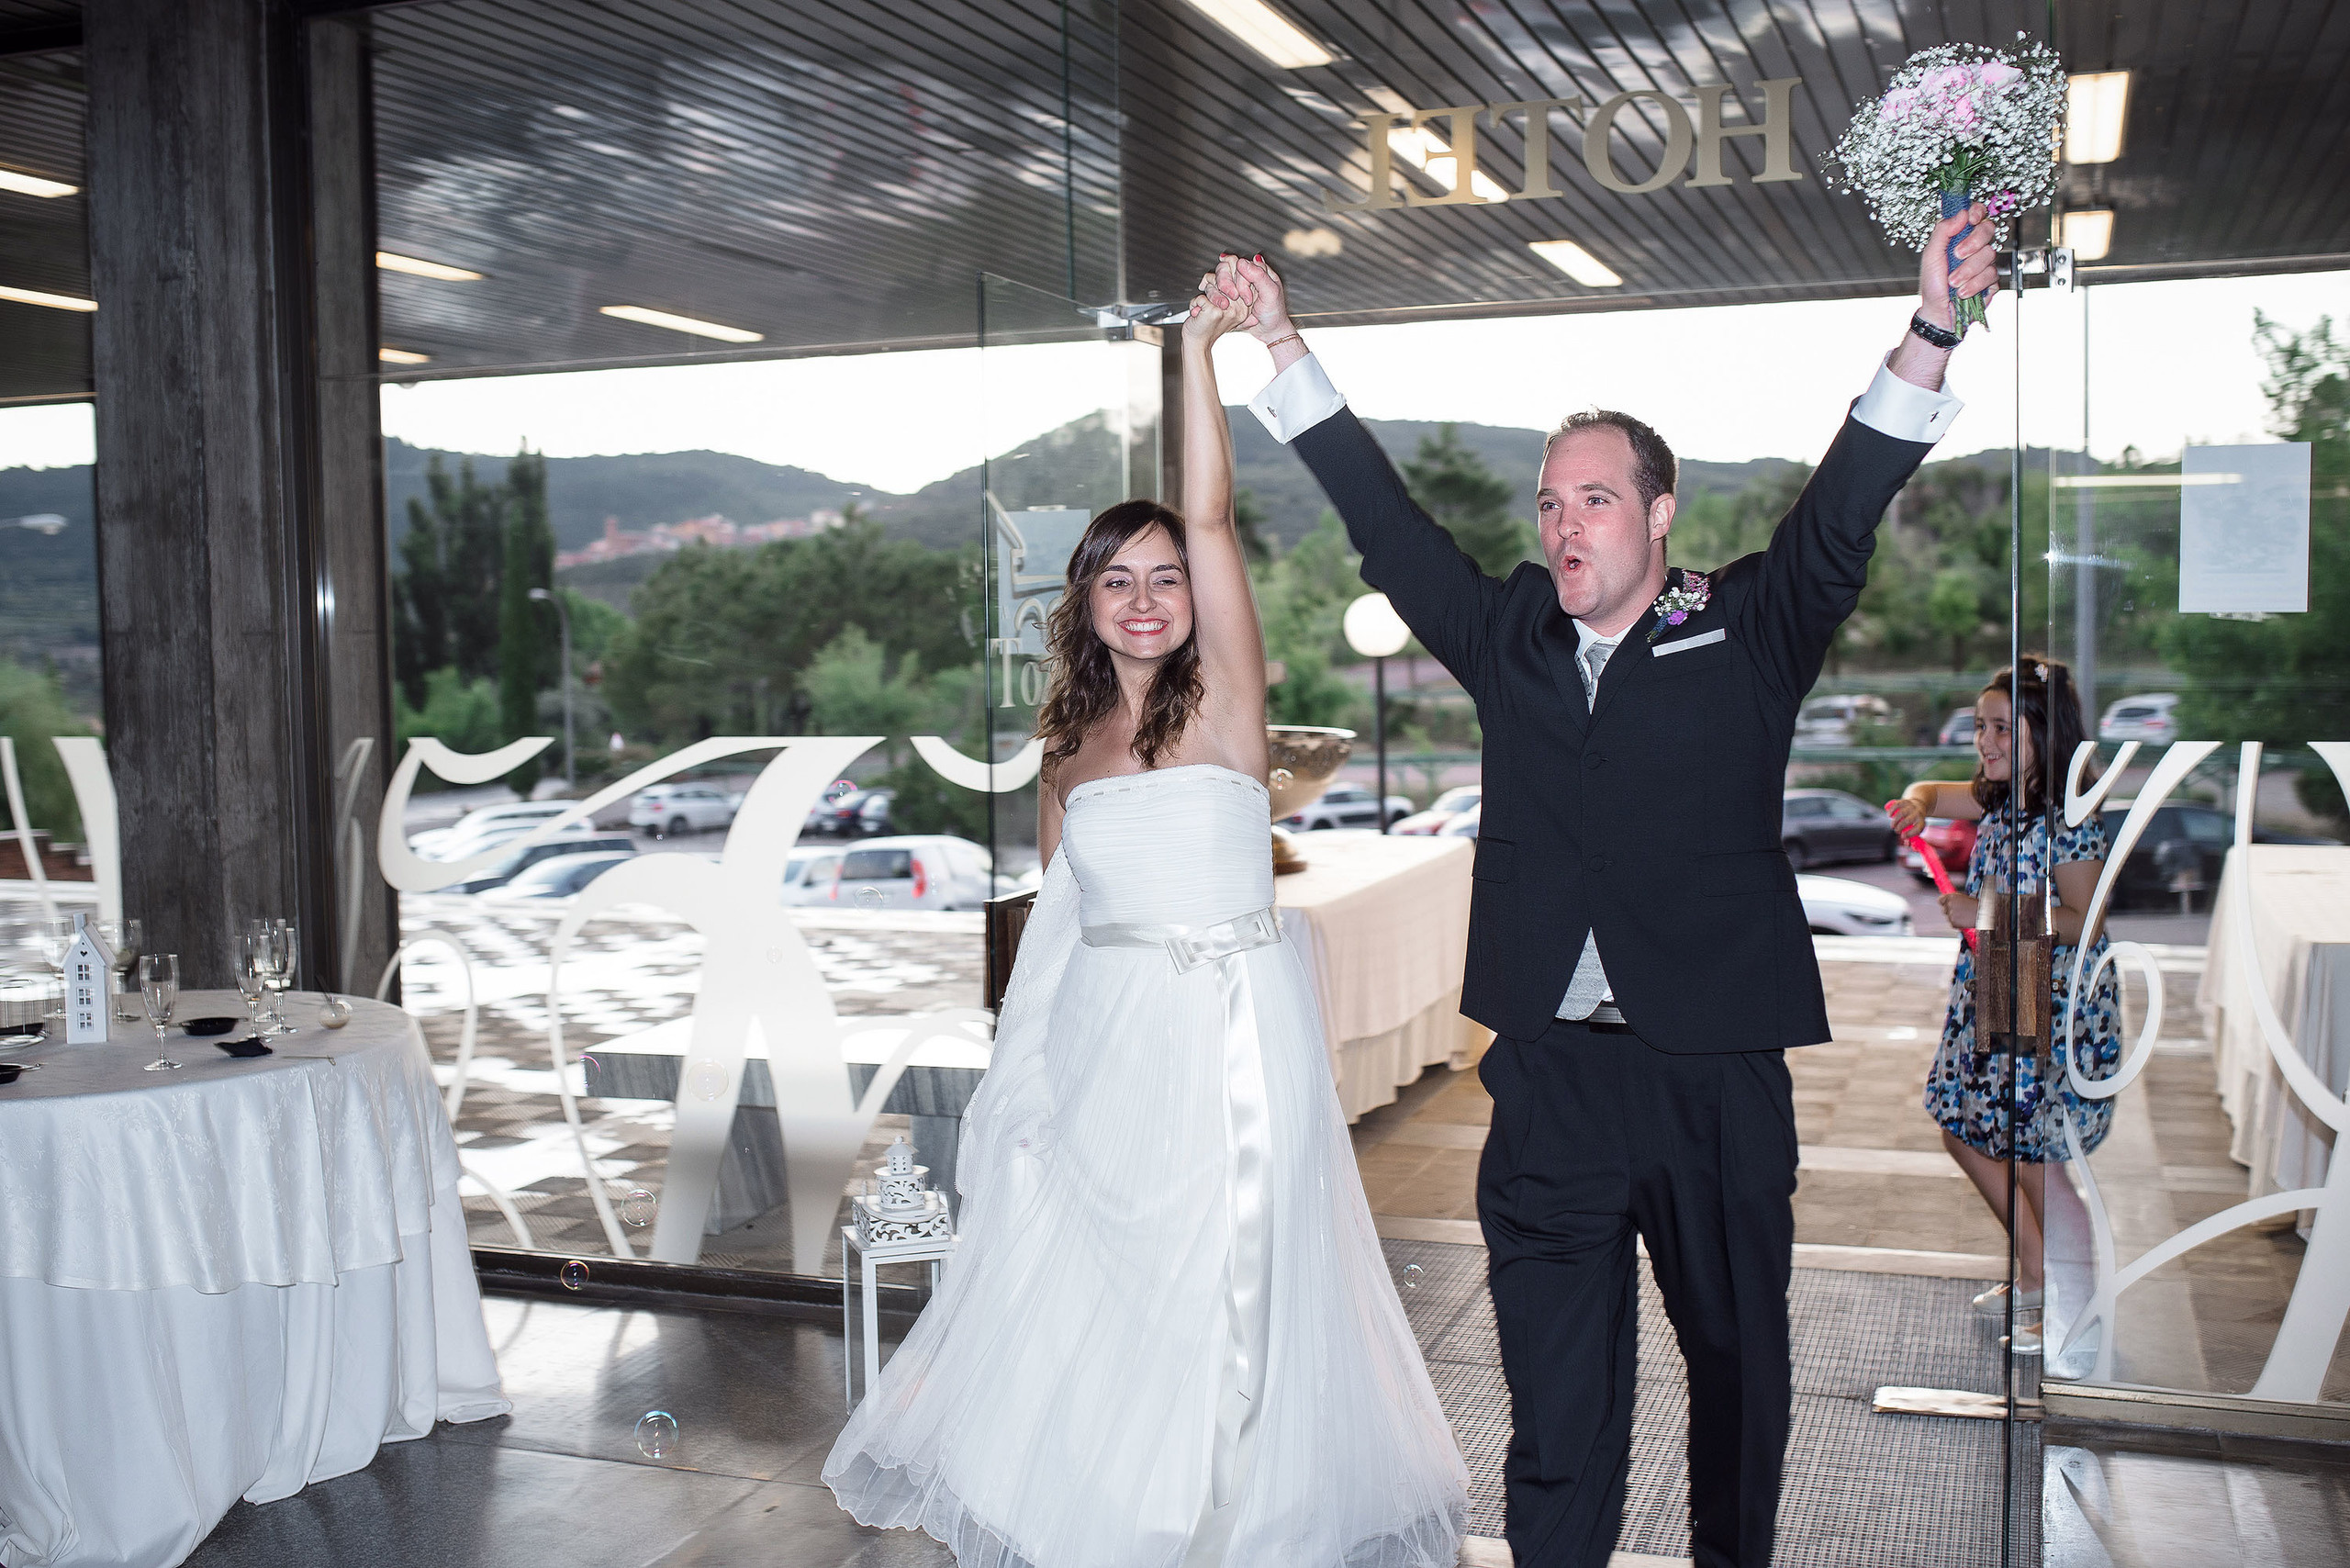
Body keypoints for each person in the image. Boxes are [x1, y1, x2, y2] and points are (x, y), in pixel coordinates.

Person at [1217, 204, 1997, 1568]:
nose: (1563, 524)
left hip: (1714, 1076)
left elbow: (1843, 513)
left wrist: (1928, 329)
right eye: (1548, 501)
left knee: (1740, 1387)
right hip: (1551, 1089)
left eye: (1592, 498)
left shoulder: (1744, 627)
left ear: (1657, 514)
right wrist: (1280, 344)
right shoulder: (1509, 632)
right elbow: (1390, 534)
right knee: (1558, 1412)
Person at [822, 273, 1468, 1566]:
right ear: (1086, 605)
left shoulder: (1227, 708)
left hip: (1232, 1044)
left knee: (1234, 1284)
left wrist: (1194, 351)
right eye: (1117, 580)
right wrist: (1028, 1088)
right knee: (1112, 1287)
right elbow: (1057, 939)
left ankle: (1235, 1513)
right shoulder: (1064, 756)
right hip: (1111, 1049)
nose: (1145, 597)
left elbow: (1215, 510)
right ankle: (1112, 1507)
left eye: (1165, 576)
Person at [1888, 658, 2120, 1352]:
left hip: (2042, 996)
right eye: (1980, 727)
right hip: (2001, 980)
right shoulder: (1998, 796)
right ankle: (2042, 1278)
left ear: (2043, 735)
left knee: (2027, 1153)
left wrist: (1984, 908)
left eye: (1998, 728)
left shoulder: (2066, 816)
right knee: (1971, 1132)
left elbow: (2088, 918)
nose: (1982, 742)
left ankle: (2056, 1288)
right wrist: (1919, 803)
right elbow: (1929, 789)